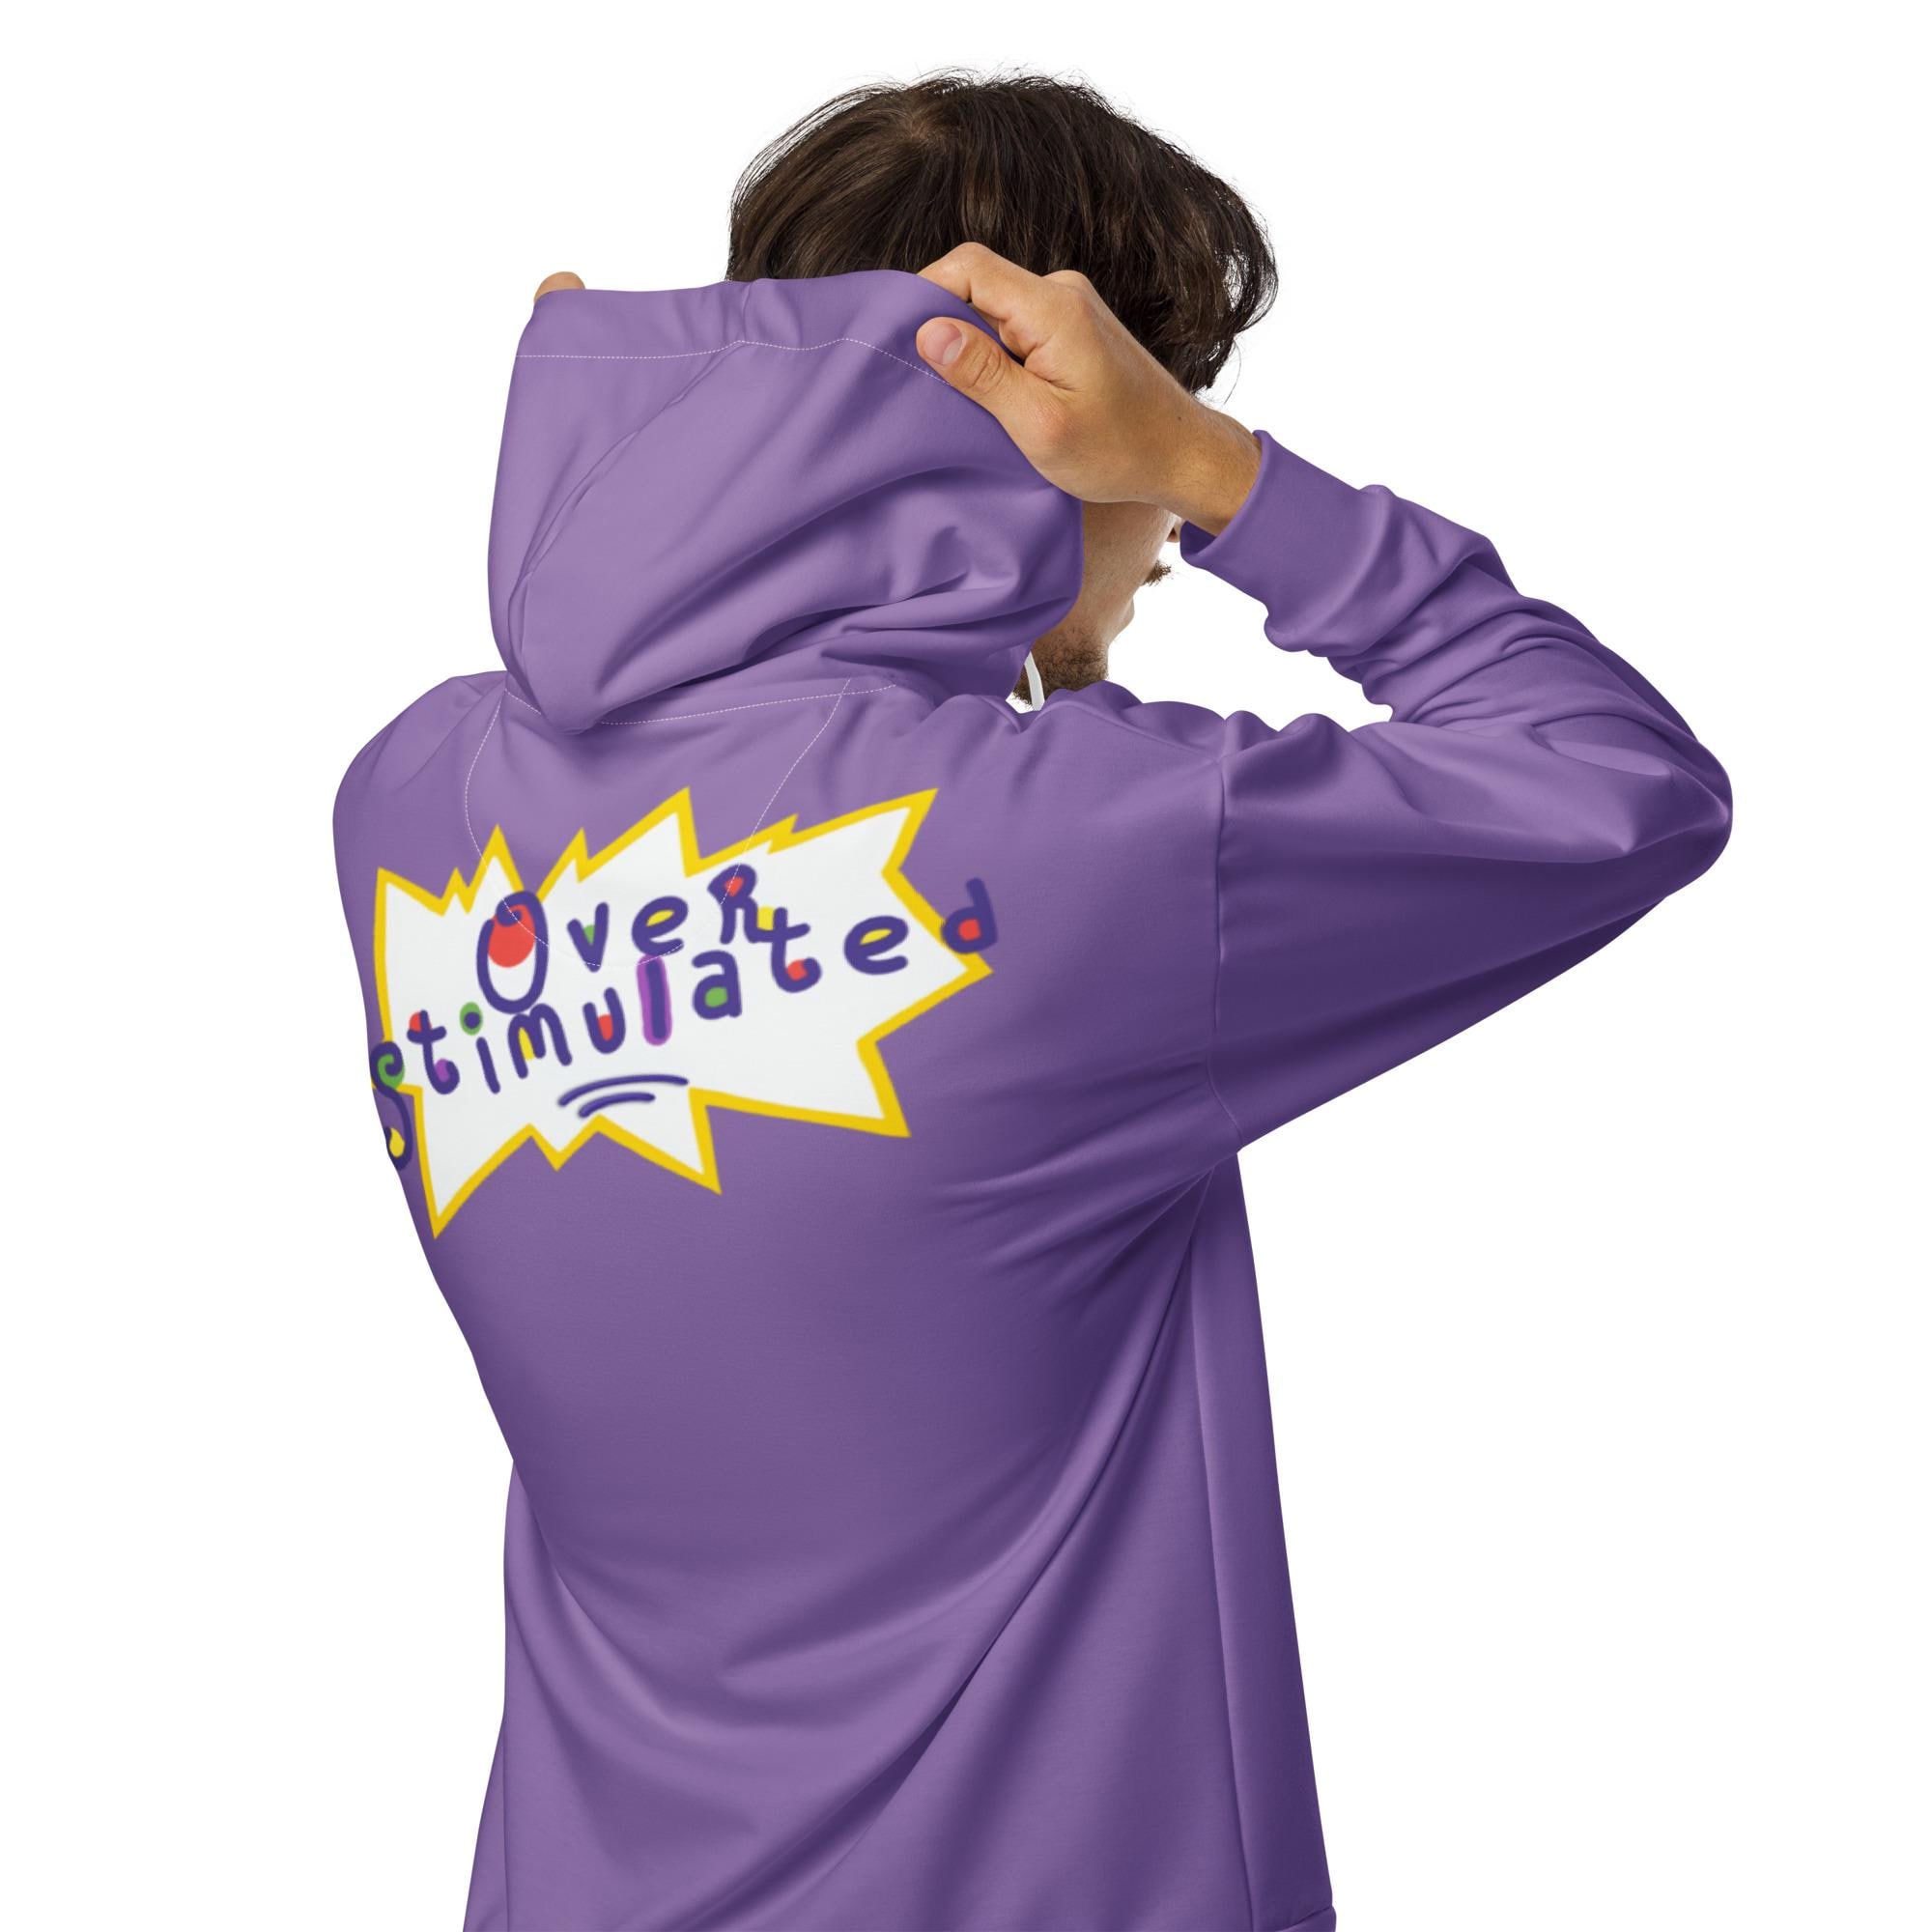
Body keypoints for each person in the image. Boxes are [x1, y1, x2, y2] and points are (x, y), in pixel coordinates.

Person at [334, 73, 1729, 1932]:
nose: (1160, 530)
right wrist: (1228, 476)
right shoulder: (1104, 847)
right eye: (1154, 403)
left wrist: (636, 446)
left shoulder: (413, 807)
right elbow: (1622, 781)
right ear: (1053, 420)